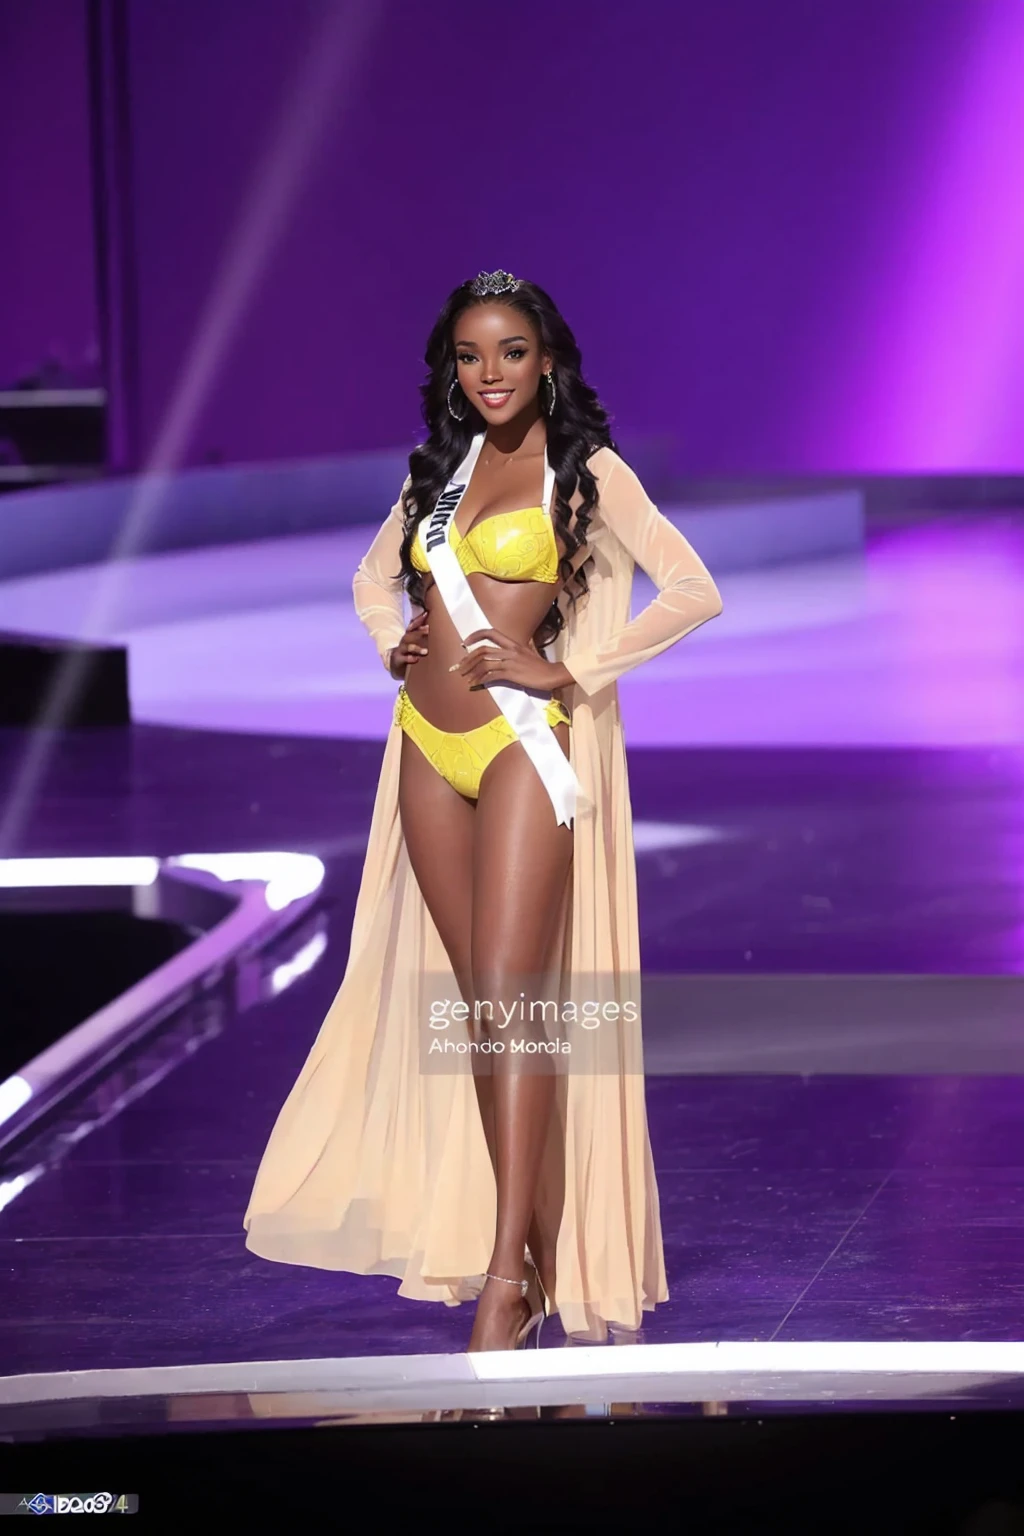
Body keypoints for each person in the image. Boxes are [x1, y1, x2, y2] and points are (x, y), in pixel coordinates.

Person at [244, 270, 723, 1350]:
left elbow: (692, 588)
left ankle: (508, 1274)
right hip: (422, 747)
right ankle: (528, 1248)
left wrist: (576, 670)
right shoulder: (442, 476)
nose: (490, 373)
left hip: (520, 748)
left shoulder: (587, 470)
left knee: (515, 1007)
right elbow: (375, 581)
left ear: (546, 357)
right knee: (480, 1014)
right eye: (470, 356)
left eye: (510, 351)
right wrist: (393, 640)